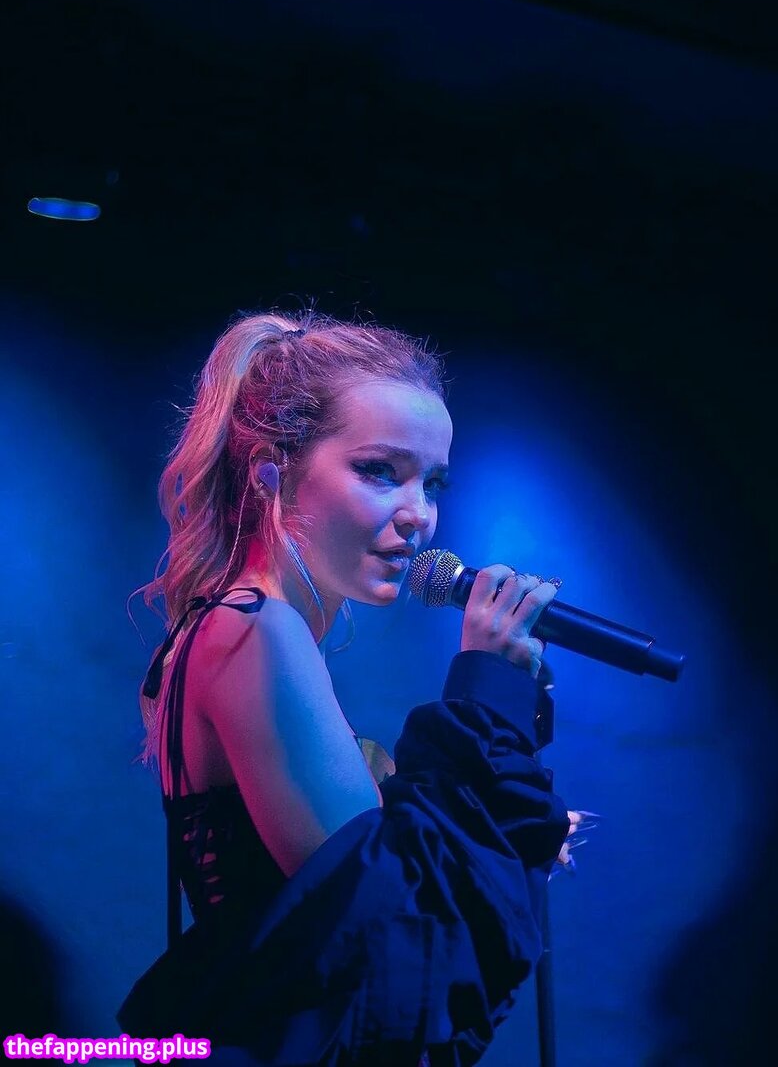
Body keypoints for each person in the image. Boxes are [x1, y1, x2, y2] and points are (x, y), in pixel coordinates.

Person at [117, 310, 582, 1066]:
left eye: (433, 482)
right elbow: (386, 935)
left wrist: (498, 821)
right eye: (379, 471)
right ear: (272, 469)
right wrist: (486, 692)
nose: (419, 515)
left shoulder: (245, 627)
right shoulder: (253, 628)